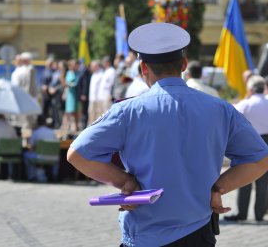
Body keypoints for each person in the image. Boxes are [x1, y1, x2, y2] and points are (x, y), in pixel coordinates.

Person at [67, 22, 268, 247]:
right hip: (198, 233)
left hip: (144, 236)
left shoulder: (127, 111)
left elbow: (77, 154)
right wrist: (218, 188)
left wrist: (125, 181)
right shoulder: (221, 109)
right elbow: (260, 159)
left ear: (143, 67)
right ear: (183, 64)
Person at [224, 75, 268, 222]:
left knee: (245, 179)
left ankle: (242, 213)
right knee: (264, 182)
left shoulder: (247, 104)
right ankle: (259, 214)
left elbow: (231, 114)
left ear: (250, 89)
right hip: (267, 141)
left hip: (249, 142)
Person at [23, 115, 58, 182]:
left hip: (40, 157)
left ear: (37, 123)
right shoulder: (52, 132)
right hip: (54, 157)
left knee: (26, 155)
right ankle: (54, 175)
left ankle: (31, 176)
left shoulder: (36, 132)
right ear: (45, 122)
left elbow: (31, 147)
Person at [61, 59, 79, 132]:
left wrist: (68, 84)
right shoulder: (68, 73)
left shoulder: (76, 73)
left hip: (74, 94)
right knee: (68, 111)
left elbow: (75, 83)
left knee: (74, 111)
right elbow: (65, 84)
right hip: (69, 94)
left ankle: (75, 126)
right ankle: (68, 126)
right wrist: (64, 93)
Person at [76, 62, 91, 130]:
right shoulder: (84, 73)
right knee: (84, 112)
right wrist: (83, 94)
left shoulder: (88, 73)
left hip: (88, 96)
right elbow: (83, 85)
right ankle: (83, 125)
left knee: (85, 112)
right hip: (84, 96)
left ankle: (84, 125)